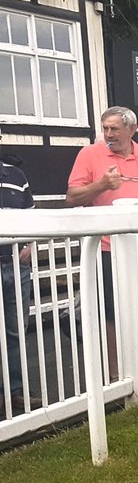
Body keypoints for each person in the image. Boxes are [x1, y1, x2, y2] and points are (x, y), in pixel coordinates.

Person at [66, 107, 138, 379]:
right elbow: (72, 197)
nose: (108, 134)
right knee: (110, 312)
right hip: (106, 247)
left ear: (132, 130)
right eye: (105, 128)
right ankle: (114, 373)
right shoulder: (89, 154)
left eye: (114, 129)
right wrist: (101, 185)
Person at [1, 130, 36, 410]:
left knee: (15, 332)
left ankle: (14, 392)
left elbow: (31, 214)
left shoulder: (15, 175)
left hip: (15, 264)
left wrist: (29, 245)